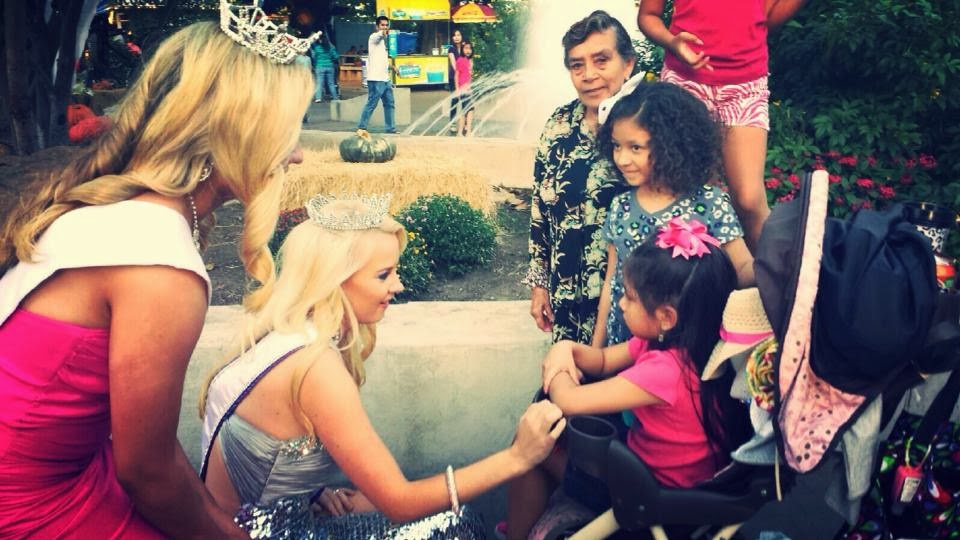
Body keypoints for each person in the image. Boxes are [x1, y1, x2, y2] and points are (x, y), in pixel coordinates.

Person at [0, 11, 315, 538]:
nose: (298, 154)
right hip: (30, 503)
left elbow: (149, 447)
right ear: (239, 132)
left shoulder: (132, 210)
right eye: (288, 132)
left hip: (70, 467)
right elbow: (147, 473)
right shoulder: (160, 265)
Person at [200, 195, 566, 538]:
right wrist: (517, 458)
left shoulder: (284, 334)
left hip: (266, 520)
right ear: (334, 280)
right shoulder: (315, 367)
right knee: (455, 526)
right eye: (383, 274)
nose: (399, 284)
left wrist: (308, 493)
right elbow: (399, 502)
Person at [505, 222, 752, 539]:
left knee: (531, 448)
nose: (621, 304)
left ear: (666, 317)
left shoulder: (666, 371)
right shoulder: (677, 344)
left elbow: (569, 401)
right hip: (646, 472)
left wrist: (556, 361)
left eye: (631, 298)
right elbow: (604, 360)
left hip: (652, 500)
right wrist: (566, 348)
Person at [593, 81, 754, 347]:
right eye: (616, 146)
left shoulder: (709, 203)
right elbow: (612, 283)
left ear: (671, 145)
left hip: (684, 352)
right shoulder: (620, 207)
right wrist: (596, 350)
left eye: (635, 148)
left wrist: (773, 273)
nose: (622, 159)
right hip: (622, 346)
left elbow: (742, 268)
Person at [637, 0, 807, 251]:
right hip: (685, 82)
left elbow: (762, 20)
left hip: (744, 84)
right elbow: (648, 16)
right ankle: (702, 284)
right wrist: (672, 42)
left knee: (749, 200)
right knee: (693, 197)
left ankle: (776, 282)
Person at [525, 10, 635, 346]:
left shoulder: (647, 127)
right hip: (566, 304)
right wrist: (538, 285)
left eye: (602, 60)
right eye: (577, 65)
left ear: (628, 64)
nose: (589, 75)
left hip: (632, 308)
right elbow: (539, 212)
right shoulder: (557, 126)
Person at [357, 16, 396, 134]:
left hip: (385, 79)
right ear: (377, 26)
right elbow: (380, 34)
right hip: (375, 79)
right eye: (382, 25)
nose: (384, 27)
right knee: (371, 104)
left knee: (390, 104)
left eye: (386, 25)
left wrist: (392, 67)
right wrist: (384, 32)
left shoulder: (383, 43)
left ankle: (390, 128)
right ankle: (361, 127)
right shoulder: (374, 37)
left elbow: (381, 60)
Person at [310, 33, 340, 102]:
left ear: (320, 40)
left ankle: (318, 98)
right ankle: (335, 97)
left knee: (319, 83)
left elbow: (313, 54)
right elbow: (336, 57)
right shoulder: (331, 48)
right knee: (331, 83)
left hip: (320, 67)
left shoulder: (317, 48)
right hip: (330, 66)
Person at [455, 40, 475, 137]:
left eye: (470, 48)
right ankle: (466, 132)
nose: (468, 50)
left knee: (466, 110)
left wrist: (471, 87)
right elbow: (456, 75)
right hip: (463, 89)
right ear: (462, 49)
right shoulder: (460, 60)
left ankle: (462, 132)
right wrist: (457, 90)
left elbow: (469, 76)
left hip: (468, 89)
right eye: (466, 48)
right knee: (468, 110)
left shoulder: (470, 61)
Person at [447, 28, 464, 132]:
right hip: (454, 77)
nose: (457, 37)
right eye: (455, 35)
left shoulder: (464, 48)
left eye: (458, 35)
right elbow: (454, 64)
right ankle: (452, 123)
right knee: (455, 100)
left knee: (465, 100)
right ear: (452, 38)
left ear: (461, 37)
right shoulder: (451, 49)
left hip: (464, 78)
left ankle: (464, 122)